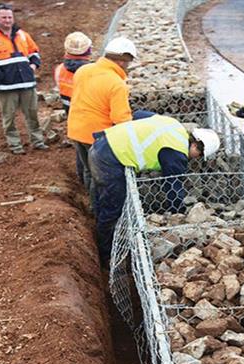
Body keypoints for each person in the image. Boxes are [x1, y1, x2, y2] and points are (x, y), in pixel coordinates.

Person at [88, 115, 220, 266]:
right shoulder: (177, 153)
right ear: (197, 145)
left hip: (104, 142)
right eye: (199, 156)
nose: (195, 159)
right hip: (110, 159)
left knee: (104, 198)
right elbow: (173, 187)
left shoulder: (174, 125)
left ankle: (96, 229)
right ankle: (105, 256)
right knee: (113, 208)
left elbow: (139, 114)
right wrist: (178, 216)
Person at [67, 36, 138, 193]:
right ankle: (96, 210)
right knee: (99, 177)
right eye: (128, 62)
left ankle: (88, 204)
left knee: (87, 170)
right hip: (96, 136)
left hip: (76, 129)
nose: (128, 67)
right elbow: (121, 120)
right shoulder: (116, 83)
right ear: (121, 61)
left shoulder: (83, 70)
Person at [0, 2, 47, 154]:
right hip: (6, 87)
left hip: (27, 83)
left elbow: (34, 52)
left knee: (32, 114)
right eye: (4, 17)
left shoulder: (22, 34)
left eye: (9, 17)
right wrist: (1, 76)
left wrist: (33, 66)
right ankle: (15, 146)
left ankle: (38, 142)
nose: (7, 20)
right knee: (9, 118)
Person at [54, 31, 92, 182]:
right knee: (93, 162)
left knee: (80, 151)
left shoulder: (59, 70)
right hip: (89, 119)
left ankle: (81, 181)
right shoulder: (90, 72)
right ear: (87, 51)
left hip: (71, 116)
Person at [54, 32, 92, 113]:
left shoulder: (60, 69)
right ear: (88, 51)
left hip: (70, 112)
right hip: (89, 114)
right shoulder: (93, 71)